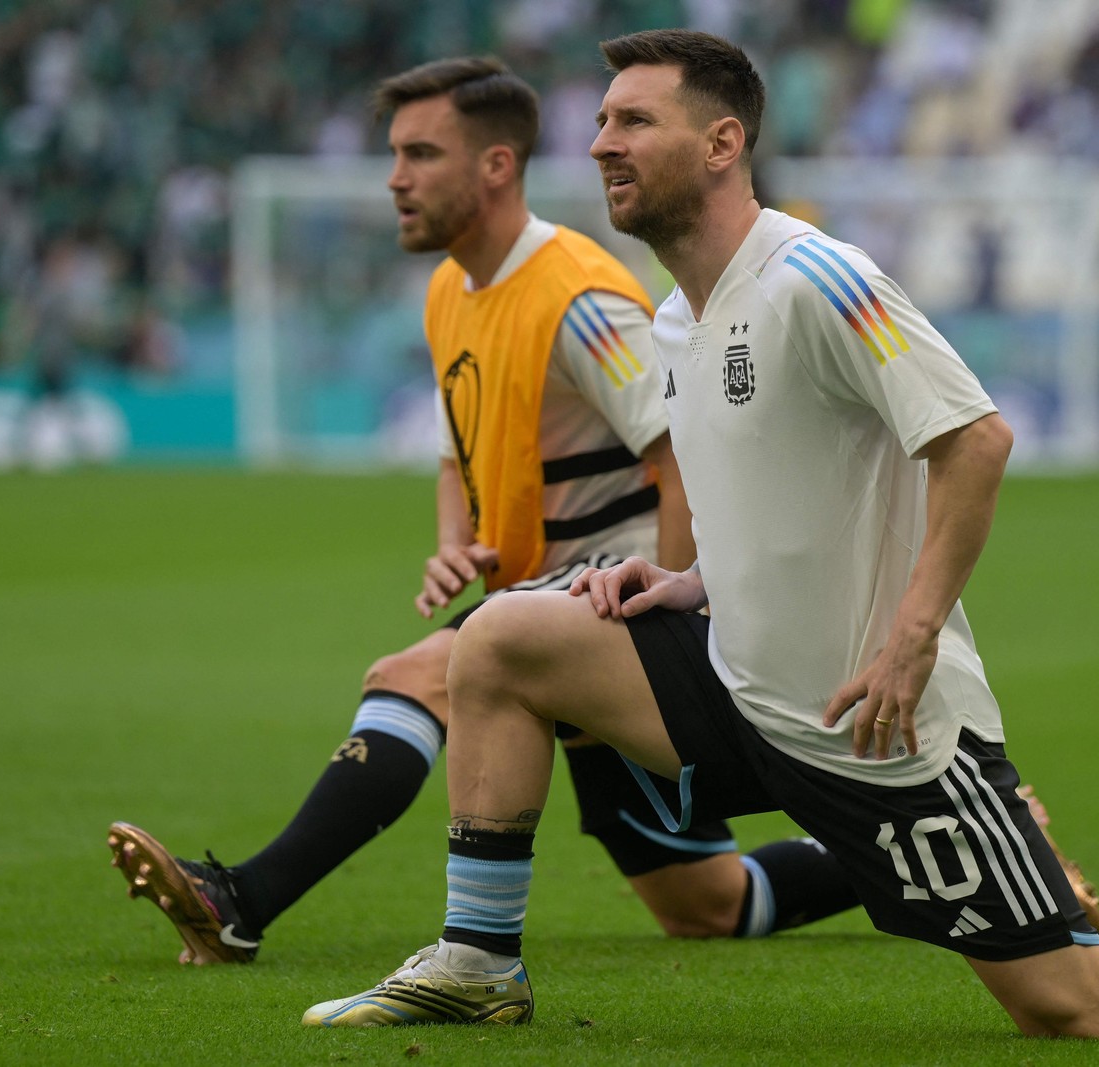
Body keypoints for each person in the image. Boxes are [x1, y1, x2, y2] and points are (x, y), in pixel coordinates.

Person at [302, 31, 1099, 1037]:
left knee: (1076, 1003)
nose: (604, 142)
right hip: (734, 679)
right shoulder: (673, 315)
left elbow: (973, 438)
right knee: (501, 640)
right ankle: (478, 962)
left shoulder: (817, 278)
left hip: (878, 722)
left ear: (723, 142)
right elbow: (774, 484)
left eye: (635, 122)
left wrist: (913, 635)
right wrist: (685, 576)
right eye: (603, 120)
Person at [105, 54, 863, 966]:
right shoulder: (449, 290)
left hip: (608, 593)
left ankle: (242, 899)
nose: (395, 178)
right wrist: (454, 544)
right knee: (705, 902)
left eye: (421, 154)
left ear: (496, 166)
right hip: (553, 590)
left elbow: (680, 458)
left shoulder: (578, 298)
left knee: (422, 672)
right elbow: (452, 447)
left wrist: (671, 613)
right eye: (394, 154)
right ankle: (924, 842)